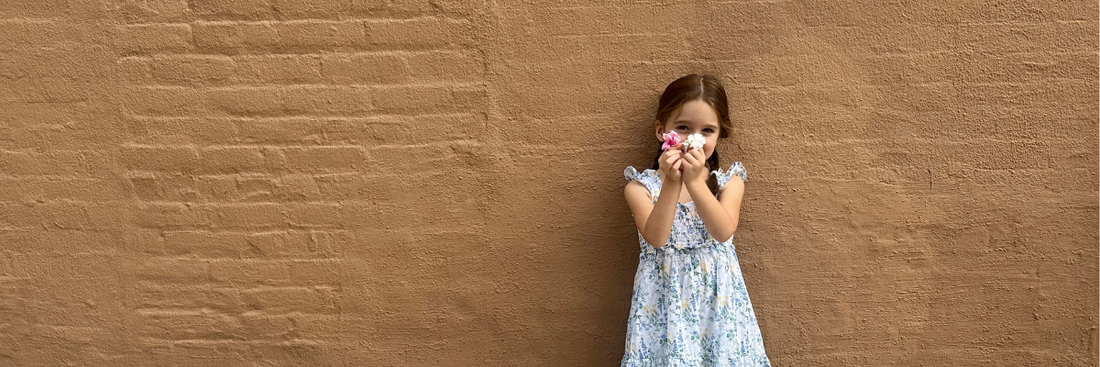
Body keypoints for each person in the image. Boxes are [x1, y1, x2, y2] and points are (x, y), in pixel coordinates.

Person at [621, 74, 772, 366]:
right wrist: (673, 183)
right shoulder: (640, 188)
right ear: (661, 131)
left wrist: (695, 182)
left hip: (717, 309)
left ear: (719, 135)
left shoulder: (729, 182)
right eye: (683, 128)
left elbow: (723, 230)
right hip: (665, 308)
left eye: (707, 131)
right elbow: (656, 237)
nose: (695, 139)